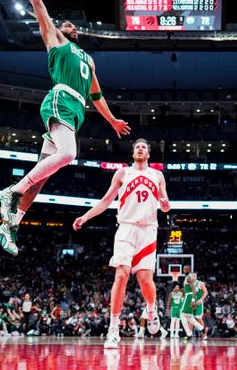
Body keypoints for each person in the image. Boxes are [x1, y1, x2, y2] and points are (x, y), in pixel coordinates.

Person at [0, 0, 131, 255]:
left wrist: (112, 120)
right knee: (69, 154)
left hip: (76, 110)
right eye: (69, 25)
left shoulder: (89, 60)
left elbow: (96, 96)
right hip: (60, 100)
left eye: (75, 27)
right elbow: (39, 7)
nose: (73, 27)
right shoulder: (56, 39)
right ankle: (12, 190)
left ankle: (8, 227)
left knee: (42, 178)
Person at [72, 138, 170, 349]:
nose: (141, 149)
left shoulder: (157, 175)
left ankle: (152, 310)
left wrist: (165, 203)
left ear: (149, 154)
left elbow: (165, 207)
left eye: (144, 147)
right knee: (121, 274)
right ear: (133, 153)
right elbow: (107, 200)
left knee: (144, 279)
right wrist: (86, 217)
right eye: (137, 147)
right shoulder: (123, 173)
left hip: (148, 229)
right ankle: (113, 329)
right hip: (125, 227)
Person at [180, 273, 208, 340]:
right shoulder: (189, 282)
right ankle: (190, 334)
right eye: (192, 275)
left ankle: (203, 334)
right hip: (192, 301)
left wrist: (201, 299)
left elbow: (206, 292)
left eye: (195, 275)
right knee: (190, 317)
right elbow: (186, 291)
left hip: (198, 302)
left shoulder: (200, 283)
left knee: (198, 317)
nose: (194, 276)